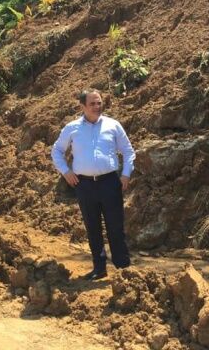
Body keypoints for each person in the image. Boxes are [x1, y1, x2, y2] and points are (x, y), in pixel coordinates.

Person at [51, 89, 135, 280]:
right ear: (82, 106)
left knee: (115, 226)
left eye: (99, 103)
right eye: (92, 104)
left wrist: (126, 174)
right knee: (92, 227)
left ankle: (123, 269)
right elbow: (57, 151)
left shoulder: (113, 125)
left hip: (110, 183)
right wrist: (66, 172)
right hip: (85, 185)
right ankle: (99, 268)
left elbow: (128, 151)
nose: (97, 107)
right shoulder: (72, 128)